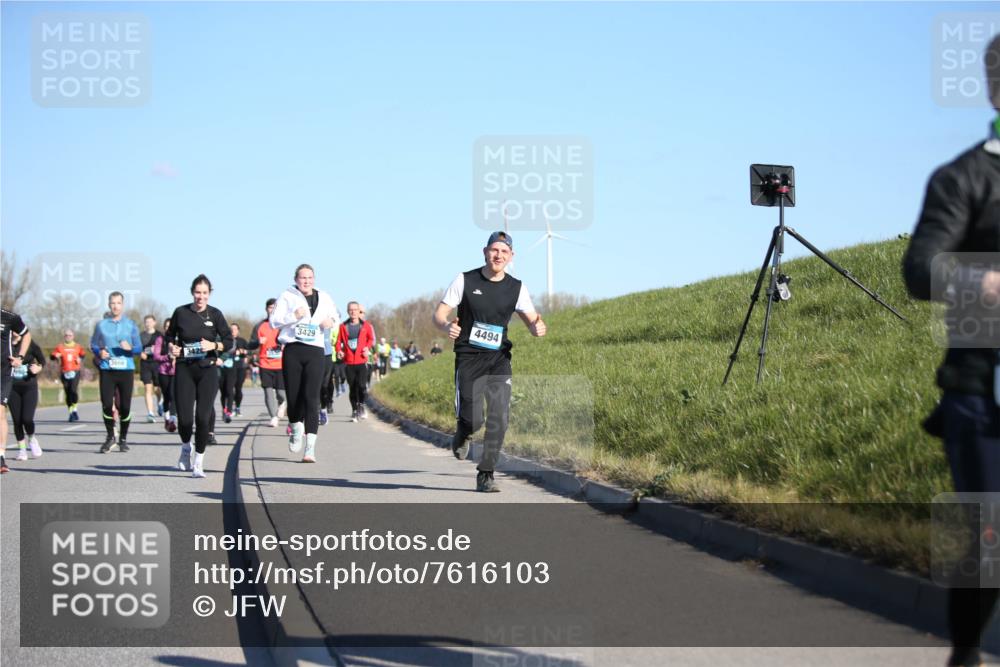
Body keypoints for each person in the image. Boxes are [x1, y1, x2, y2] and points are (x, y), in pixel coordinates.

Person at [902, 34, 1000, 667]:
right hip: (980, 395)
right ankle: (965, 652)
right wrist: (979, 279)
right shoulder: (965, 177)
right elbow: (920, 267)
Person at [432, 231, 546, 492]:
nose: (498, 255)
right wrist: (445, 325)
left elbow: (533, 321)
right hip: (469, 358)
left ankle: (486, 473)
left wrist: (538, 328)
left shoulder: (517, 287)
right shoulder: (465, 280)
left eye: (504, 252)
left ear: (511, 256)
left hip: (498, 359)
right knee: (475, 420)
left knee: (500, 417)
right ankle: (463, 430)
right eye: (494, 250)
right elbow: (438, 315)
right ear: (485, 252)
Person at [166, 274, 233, 478]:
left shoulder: (216, 315)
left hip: (208, 369)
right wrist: (171, 347)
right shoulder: (181, 312)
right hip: (185, 368)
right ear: (192, 292)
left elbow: (229, 342)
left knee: (202, 417)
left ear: (209, 294)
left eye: (204, 293)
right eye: (197, 292)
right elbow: (169, 336)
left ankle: (198, 461)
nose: (200, 297)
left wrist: (214, 345)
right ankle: (186, 447)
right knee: (185, 420)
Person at [271, 264, 339, 462]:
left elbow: (336, 316)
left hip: (315, 350)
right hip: (293, 349)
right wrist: (294, 316)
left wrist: (331, 322)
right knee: (294, 397)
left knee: (312, 398)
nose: (306, 281)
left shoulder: (324, 296)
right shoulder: (287, 296)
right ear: (296, 279)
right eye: (302, 278)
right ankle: (295, 427)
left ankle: (310, 448)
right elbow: (274, 321)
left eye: (310, 277)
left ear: (314, 279)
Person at [91, 292, 143, 453]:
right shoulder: (101, 325)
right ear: (109, 305)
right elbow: (93, 344)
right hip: (107, 369)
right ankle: (110, 436)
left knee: (125, 408)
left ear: (123, 305)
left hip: (126, 370)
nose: (115, 306)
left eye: (118, 303)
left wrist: (131, 348)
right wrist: (99, 352)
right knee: (106, 405)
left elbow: (139, 347)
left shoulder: (131, 324)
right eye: (113, 303)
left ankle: (123, 439)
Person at [248, 298, 286, 428]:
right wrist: (258, 342)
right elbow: (250, 344)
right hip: (265, 364)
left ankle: (284, 404)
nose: (272, 310)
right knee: (268, 392)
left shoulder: (283, 325)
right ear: (266, 309)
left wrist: (283, 344)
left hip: (281, 364)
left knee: (281, 394)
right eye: (270, 308)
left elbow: (291, 341)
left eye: (275, 308)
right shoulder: (260, 326)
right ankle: (273, 417)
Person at [1, 309, 31, 473]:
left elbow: (26, 335)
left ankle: (1, 457)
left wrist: (20, 357)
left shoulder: (9, 317)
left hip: (4, 371)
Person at [336, 301, 375, 421]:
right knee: (352, 388)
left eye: (355, 310)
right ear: (348, 312)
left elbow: (371, 339)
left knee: (362, 386)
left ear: (359, 311)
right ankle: (354, 410)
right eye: (351, 310)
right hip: (349, 362)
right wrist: (339, 350)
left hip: (361, 361)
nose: (353, 312)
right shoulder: (343, 326)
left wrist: (366, 348)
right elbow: (338, 341)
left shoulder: (366, 325)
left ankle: (361, 405)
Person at [9, 333, 45, 461]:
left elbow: (42, 360)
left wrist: (38, 367)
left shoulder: (29, 343)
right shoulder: (5, 343)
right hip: (12, 387)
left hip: (29, 386)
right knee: (17, 420)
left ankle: (32, 438)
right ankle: (22, 450)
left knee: (27, 419)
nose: (15, 331)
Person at [51, 329, 86, 421]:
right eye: (66, 335)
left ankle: (75, 409)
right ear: (64, 337)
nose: (68, 337)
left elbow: (83, 354)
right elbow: (52, 356)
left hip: (75, 371)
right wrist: (55, 356)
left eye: (70, 335)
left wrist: (80, 358)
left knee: (73, 390)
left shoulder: (77, 346)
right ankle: (71, 412)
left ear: (73, 336)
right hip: (64, 372)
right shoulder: (60, 347)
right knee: (67, 392)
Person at [219, 323, 249, 422]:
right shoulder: (224, 339)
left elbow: (248, 352)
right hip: (224, 367)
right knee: (224, 391)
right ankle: (225, 409)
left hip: (239, 368)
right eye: (231, 329)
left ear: (238, 330)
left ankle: (235, 408)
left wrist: (242, 352)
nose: (233, 331)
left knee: (236, 389)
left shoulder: (242, 341)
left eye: (235, 329)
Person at [153, 317, 177, 432]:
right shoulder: (160, 339)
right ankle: (167, 418)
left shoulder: (178, 339)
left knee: (174, 395)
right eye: (166, 327)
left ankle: (173, 419)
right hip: (163, 371)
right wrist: (167, 357)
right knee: (167, 396)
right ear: (164, 328)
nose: (168, 329)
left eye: (170, 327)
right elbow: (156, 356)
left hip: (177, 372)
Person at [140, 315, 163, 422]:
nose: (148, 323)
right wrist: (140, 353)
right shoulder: (141, 336)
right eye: (146, 322)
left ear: (154, 322)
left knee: (157, 388)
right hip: (145, 364)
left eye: (150, 321)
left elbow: (165, 349)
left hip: (157, 363)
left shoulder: (159, 335)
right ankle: (150, 413)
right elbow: (136, 347)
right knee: (147, 388)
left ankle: (160, 402)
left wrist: (157, 350)